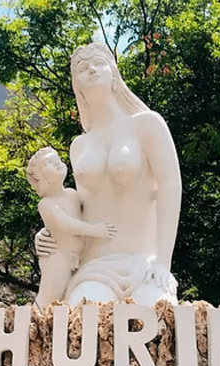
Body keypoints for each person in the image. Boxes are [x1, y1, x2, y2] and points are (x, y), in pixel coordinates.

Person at [35, 43, 182, 307]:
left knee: (153, 316)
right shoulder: (79, 146)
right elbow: (79, 207)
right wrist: (50, 232)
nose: (91, 69)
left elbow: (170, 186)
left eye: (99, 63)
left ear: (114, 74)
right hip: (96, 268)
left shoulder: (147, 124)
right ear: (76, 85)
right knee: (83, 320)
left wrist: (163, 262)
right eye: (81, 68)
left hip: (144, 264)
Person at [27, 147, 116, 310]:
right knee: (51, 292)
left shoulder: (72, 194)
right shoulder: (46, 204)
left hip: (78, 258)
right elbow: (67, 225)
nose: (56, 162)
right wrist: (94, 230)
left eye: (57, 158)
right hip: (57, 256)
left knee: (69, 293)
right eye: (48, 162)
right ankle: (34, 322)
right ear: (40, 179)